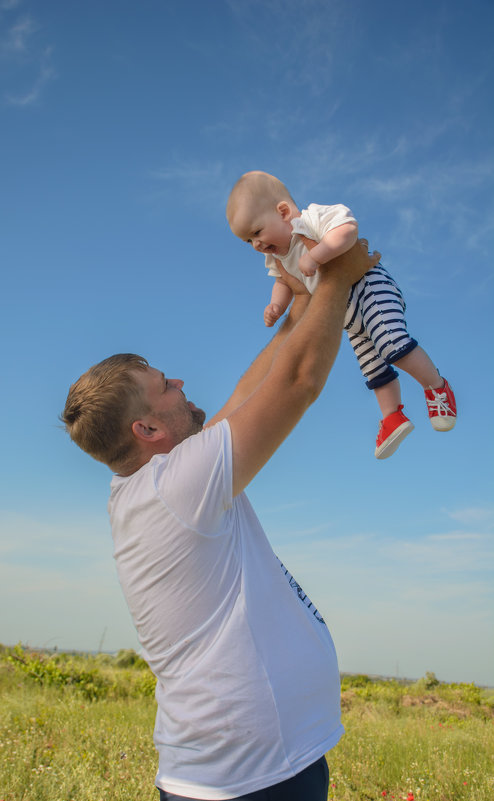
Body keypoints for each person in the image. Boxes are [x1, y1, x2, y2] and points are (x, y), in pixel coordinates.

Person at [61, 240, 378, 801]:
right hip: (249, 781)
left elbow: (242, 396)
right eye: (165, 386)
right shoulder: (175, 487)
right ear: (149, 432)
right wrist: (339, 281)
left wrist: (301, 305)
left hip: (251, 770)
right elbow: (298, 382)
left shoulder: (153, 484)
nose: (181, 382)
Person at [226, 171, 457, 459]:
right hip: (346, 314)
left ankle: (436, 387)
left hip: (367, 286)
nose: (257, 245)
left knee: (391, 344)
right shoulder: (275, 257)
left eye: (257, 232)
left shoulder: (310, 220)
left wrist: (316, 255)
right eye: (248, 241)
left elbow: (347, 230)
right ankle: (392, 417)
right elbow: (283, 282)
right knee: (372, 368)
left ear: (283, 212)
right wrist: (276, 306)